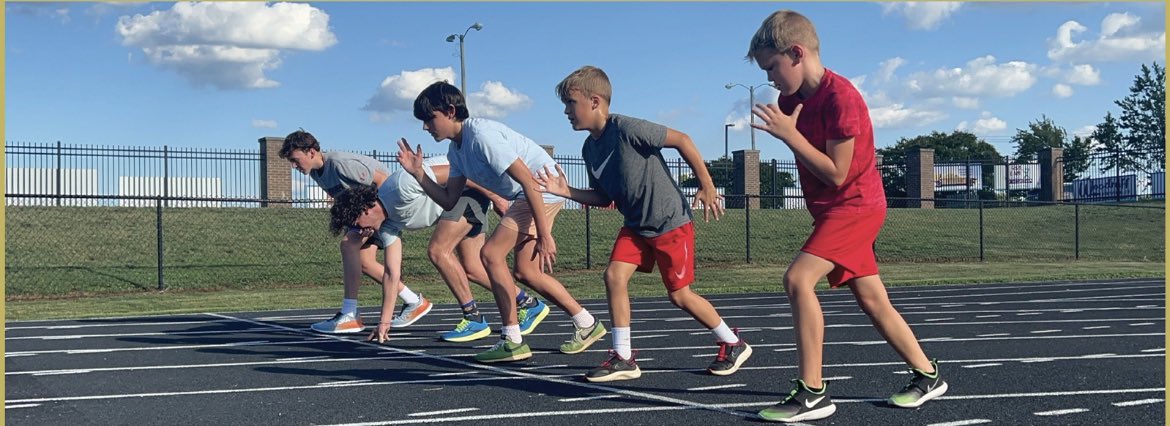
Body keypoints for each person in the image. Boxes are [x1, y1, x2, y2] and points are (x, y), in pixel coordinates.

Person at [743, 10, 947, 422]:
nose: (771, 80)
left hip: (856, 206)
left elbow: (837, 173)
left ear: (797, 53)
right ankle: (928, 375)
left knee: (798, 279)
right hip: (832, 211)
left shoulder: (842, 98)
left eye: (772, 68)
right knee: (872, 299)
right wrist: (791, 132)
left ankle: (812, 393)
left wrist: (790, 136)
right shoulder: (791, 101)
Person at [535, 65, 752, 382]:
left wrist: (707, 185)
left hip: (670, 223)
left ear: (595, 101)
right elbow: (604, 197)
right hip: (636, 225)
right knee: (613, 276)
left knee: (680, 296)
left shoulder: (626, 128)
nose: (566, 111)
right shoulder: (589, 149)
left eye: (571, 103)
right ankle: (623, 357)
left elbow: (683, 140)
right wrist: (566, 191)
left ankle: (732, 342)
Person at [398, 81, 606, 363]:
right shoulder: (456, 152)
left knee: (490, 254)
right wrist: (419, 174)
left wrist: (545, 235)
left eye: (429, 118)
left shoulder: (481, 136)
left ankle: (512, 340)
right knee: (526, 272)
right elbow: (448, 200)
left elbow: (529, 182)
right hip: (529, 193)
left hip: (540, 189)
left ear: (450, 111)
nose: (425, 127)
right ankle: (586, 323)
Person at [327, 154, 507, 343]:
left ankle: (474, 318)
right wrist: (384, 322)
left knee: (438, 251)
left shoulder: (400, 186)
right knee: (473, 268)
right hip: (454, 205)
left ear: (365, 210)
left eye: (357, 225)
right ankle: (524, 302)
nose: (360, 231)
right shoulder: (387, 227)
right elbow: (391, 274)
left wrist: (496, 197)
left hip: (469, 186)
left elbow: (459, 174)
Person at [280, 130, 432, 335]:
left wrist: (376, 215)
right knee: (365, 263)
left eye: (295, 160)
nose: (293, 166)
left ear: (311, 152)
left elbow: (384, 181)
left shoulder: (340, 164)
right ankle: (414, 301)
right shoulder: (317, 173)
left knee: (348, 245)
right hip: (365, 215)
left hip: (382, 212)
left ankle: (350, 314)